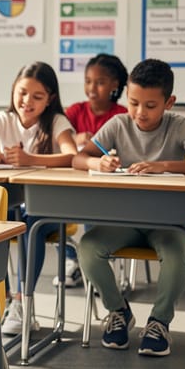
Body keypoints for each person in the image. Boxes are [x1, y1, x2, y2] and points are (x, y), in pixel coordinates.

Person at [73, 58, 185, 357]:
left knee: (179, 252)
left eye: (150, 105)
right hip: (124, 221)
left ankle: (159, 322)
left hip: (167, 224)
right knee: (88, 246)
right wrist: (96, 162)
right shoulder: (118, 124)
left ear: (169, 102)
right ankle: (118, 312)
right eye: (134, 102)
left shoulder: (179, 125)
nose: (140, 113)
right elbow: (78, 158)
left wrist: (162, 165)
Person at [0, 61, 77, 335]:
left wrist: (30, 159)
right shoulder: (2, 119)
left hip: (50, 206)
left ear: (50, 99)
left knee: (30, 223)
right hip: (14, 203)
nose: (27, 101)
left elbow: (72, 155)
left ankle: (23, 303)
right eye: (22, 93)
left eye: (37, 96)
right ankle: (6, 299)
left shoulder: (57, 122)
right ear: (13, 91)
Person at [55, 53, 129, 288]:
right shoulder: (76, 111)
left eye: (100, 82)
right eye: (88, 81)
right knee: (53, 212)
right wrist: (76, 137)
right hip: (75, 181)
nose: (92, 87)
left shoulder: (122, 116)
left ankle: (98, 270)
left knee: (96, 216)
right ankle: (73, 260)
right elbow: (58, 141)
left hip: (108, 187)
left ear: (115, 85)